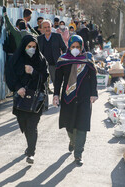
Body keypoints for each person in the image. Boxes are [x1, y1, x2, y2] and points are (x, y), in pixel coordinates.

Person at [53, 35, 98, 166]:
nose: (75, 49)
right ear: (69, 47)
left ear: (82, 47)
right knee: (69, 125)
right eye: (73, 47)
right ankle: (72, 141)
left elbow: (93, 77)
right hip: (68, 97)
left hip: (84, 97)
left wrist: (94, 94)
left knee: (82, 126)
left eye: (78, 47)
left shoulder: (88, 58)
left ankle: (78, 154)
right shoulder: (63, 59)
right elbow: (58, 80)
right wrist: (56, 95)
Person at [10, 35, 49, 164]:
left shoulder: (41, 60)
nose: (32, 49)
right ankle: (29, 147)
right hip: (21, 98)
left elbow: (44, 77)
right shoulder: (17, 59)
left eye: (34, 46)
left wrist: (33, 72)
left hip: (37, 99)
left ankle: (31, 153)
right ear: (24, 46)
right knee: (25, 125)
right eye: (29, 46)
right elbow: (10, 76)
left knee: (32, 125)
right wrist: (18, 88)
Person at [37, 20, 67, 85]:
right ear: (42, 29)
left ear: (51, 27)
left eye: (48, 27)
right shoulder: (39, 39)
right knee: (44, 83)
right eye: (45, 27)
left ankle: (56, 94)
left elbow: (64, 48)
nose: (47, 29)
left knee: (56, 82)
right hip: (43, 65)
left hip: (54, 64)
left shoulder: (57, 36)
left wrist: (64, 58)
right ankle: (46, 94)